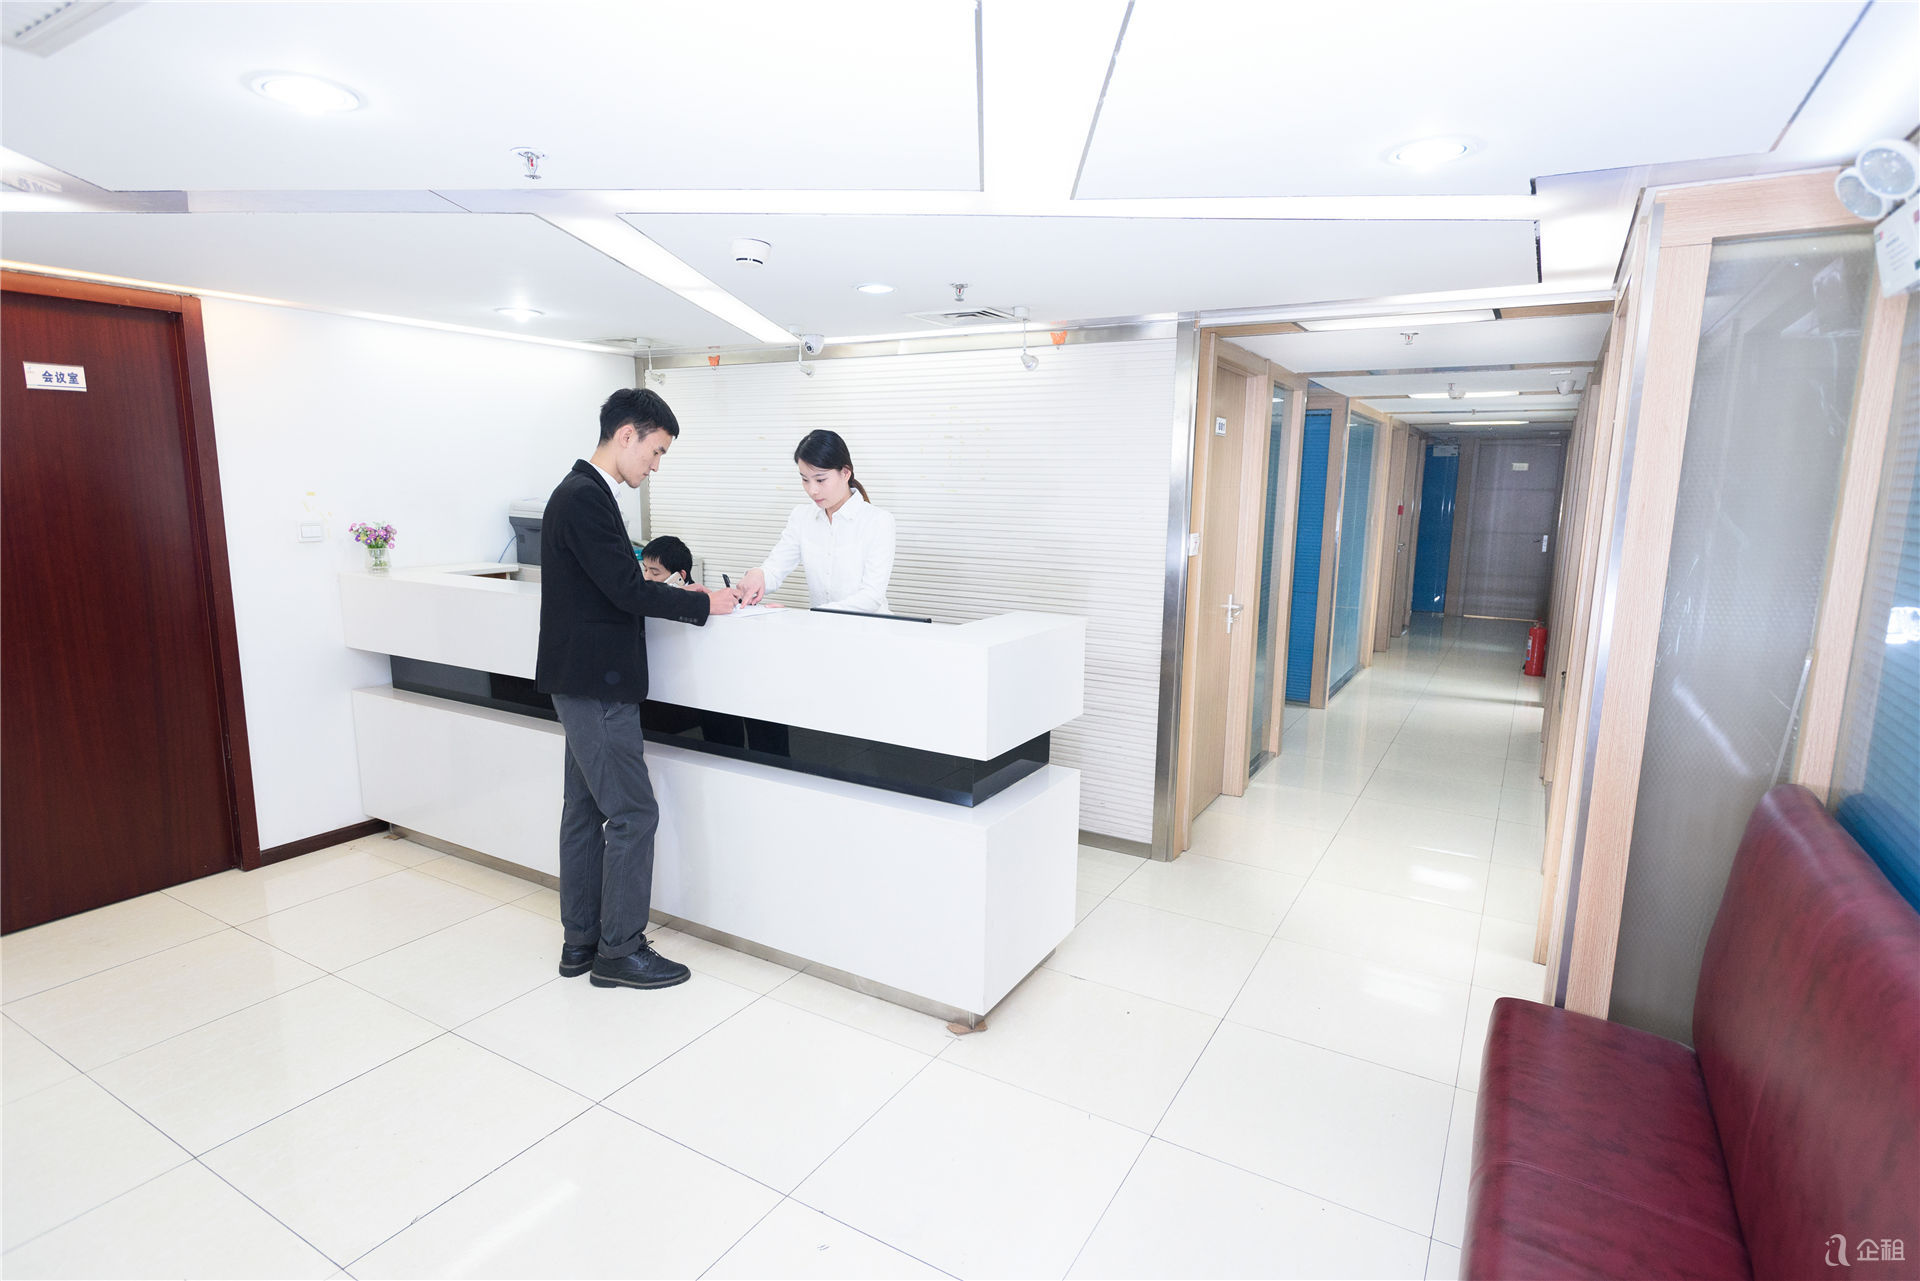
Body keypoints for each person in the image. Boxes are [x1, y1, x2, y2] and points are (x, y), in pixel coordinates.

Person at [535, 388, 739, 991]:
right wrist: (702, 603)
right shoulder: (585, 496)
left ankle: (582, 942)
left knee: (584, 811)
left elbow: (610, 585)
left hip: (580, 680)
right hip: (597, 686)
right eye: (656, 451)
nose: (655, 466)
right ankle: (620, 950)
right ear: (627, 435)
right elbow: (625, 590)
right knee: (633, 813)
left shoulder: (582, 492)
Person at [738, 430, 896, 613]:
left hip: (866, 626)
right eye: (805, 480)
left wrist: (805, 616)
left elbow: (871, 597)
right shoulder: (801, 517)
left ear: (845, 473)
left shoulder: (878, 521)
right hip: (819, 625)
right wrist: (759, 575)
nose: (812, 490)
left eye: (820, 480)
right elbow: (775, 568)